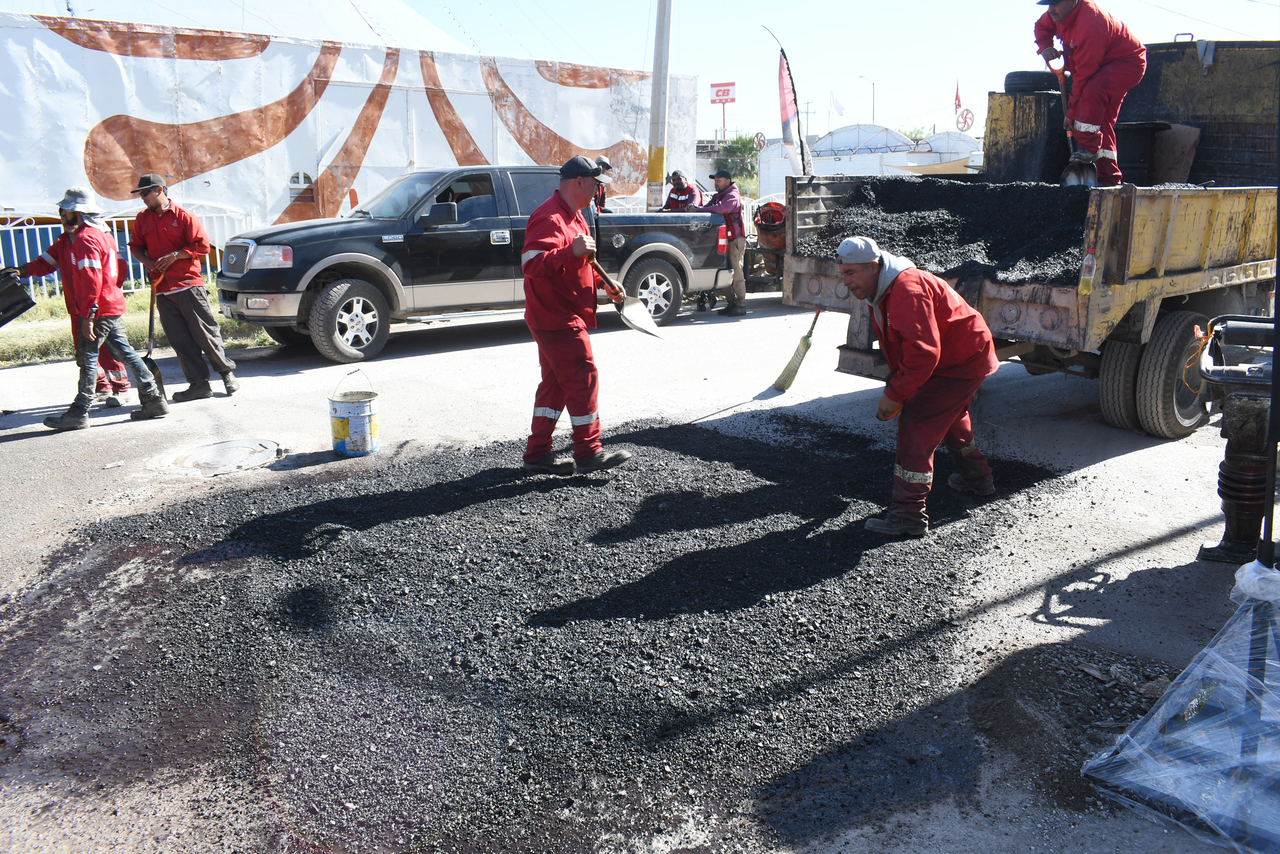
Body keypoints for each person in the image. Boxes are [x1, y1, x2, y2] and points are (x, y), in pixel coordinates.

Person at [837, 236, 999, 537]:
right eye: (842, 273)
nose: (845, 281)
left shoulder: (905, 290)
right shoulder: (883, 288)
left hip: (961, 361)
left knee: (916, 425)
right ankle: (978, 479)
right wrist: (897, 384)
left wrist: (895, 395)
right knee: (951, 421)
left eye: (850, 273)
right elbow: (907, 347)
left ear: (873, 267)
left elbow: (924, 353)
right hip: (955, 359)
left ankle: (908, 515)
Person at [2, 188, 168, 430]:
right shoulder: (77, 239)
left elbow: (91, 279)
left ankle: (79, 412)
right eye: (61, 213)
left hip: (96, 308)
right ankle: (154, 400)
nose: (62, 218)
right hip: (107, 305)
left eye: (66, 213)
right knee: (125, 353)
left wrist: (89, 315)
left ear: (79, 214)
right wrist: (21, 271)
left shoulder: (85, 239)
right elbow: (45, 262)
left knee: (87, 357)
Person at [520, 155, 633, 476]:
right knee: (584, 378)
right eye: (596, 184)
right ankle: (588, 452)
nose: (599, 191)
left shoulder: (576, 216)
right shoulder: (549, 217)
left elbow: (583, 264)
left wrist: (605, 285)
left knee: (555, 386)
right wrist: (570, 251)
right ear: (579, 182)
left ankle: (537, 454)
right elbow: (531, 264)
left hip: (561, 314)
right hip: (556, 317)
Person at [127, 173, 239, 401]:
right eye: (140, 193)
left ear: (159, 190)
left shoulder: (183, 216)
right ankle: (199, 385)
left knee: (205, 333)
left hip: (188, 284)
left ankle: (227, 375)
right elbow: (136, 247)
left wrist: (176, 256)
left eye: (145, 192)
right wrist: (147, 262)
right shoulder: (142, 219)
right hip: (162, 288)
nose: (142, 197)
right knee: (179, 340)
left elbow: (203, 246)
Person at [1034, 0, 1146, 187]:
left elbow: (1084, 79)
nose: (1050, 9)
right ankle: (1109, 179)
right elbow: (1041, 26)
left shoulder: (1089, 25)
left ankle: (1086, 150)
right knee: (1101, 122)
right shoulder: (1057, 15)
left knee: (1093, 92)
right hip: (1099, 65)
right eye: (1048, 4)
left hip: (1127, 64)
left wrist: (1071, 114)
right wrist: (1045, 47)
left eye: (1055, 3)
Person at [695, 169, 746, 317]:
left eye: (719, 180)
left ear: (727, 182)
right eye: (715, 180)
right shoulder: (719, 196)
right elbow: (708, 207)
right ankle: (732, 304)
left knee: (736, 273)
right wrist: (698, 210)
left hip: (735, 240)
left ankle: (741, 305)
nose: (716, 183)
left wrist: (698, 210)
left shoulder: (732, 196)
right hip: (724, 240)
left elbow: (720, 209)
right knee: (724, 272)